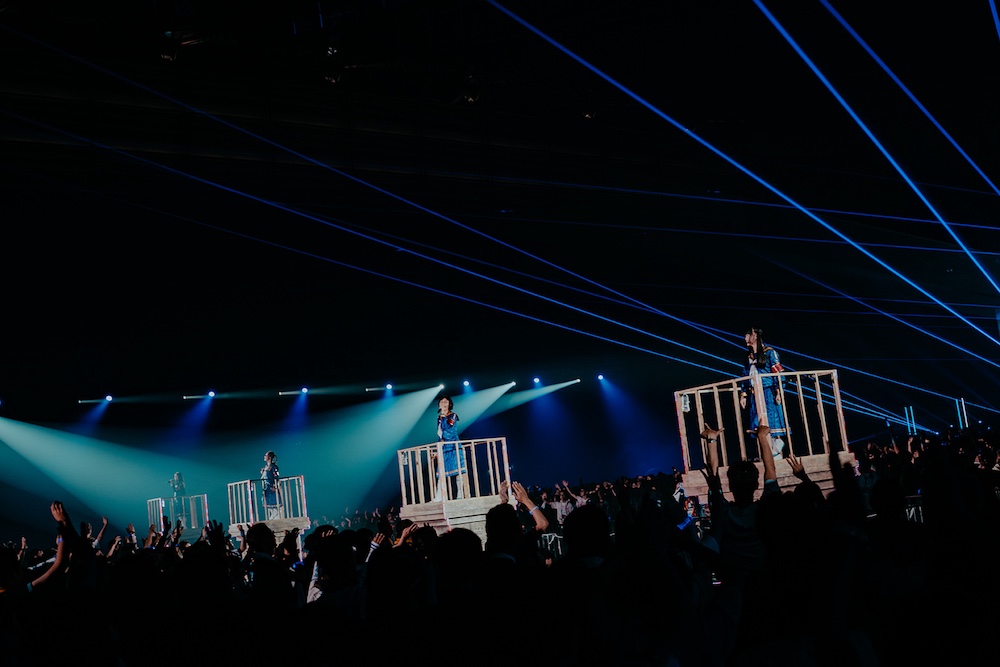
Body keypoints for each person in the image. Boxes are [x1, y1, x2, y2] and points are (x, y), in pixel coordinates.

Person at [740, 326, 788, 459]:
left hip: (768, 392)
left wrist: (779, 391)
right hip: (755, 394)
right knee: (758, 424)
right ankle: (766, 453)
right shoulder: (749, 356)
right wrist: (743, 394)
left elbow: (778, 373)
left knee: (772, 421)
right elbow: (745, 376)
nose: (745, 338)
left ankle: (776, 450)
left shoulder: (770, 352)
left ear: (754, 335)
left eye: (747, 335)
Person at [434, 396, 467, 500]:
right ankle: (439, 496)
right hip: (444, 447)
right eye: (441, 402)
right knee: (441, 472)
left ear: (449, 404)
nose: (443, 404)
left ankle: (460, 495)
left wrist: (444, 416)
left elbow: (450, 431)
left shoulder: (453, 416)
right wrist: (438, 448)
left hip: (453, 446)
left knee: (458, 471)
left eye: (446, 402)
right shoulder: (439, 418)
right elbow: (440, 434)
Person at [260, 450, 282, 520]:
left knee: (274, 506)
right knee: (269, 507)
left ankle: (274, 520)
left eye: (266, 455)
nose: (264, 456)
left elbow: (276, 476)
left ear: (269, 457)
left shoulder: (273, 467)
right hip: (267, 488)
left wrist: (276, 486)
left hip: (272, 488)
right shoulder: (266, 467)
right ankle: (272, 519)